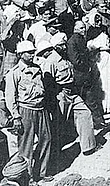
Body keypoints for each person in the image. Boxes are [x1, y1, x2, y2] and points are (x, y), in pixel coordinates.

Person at [5, 41, 51, 182]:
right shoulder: (15, 73)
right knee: (26, 145)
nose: (32, 55)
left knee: (46, 139)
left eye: (33, 52)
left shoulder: (37, 68)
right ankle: (28, 178)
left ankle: (41, 173)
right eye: (29, 52)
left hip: (40, 109)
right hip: (26, 111)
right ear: (20, 55)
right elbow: (10, 97)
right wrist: (16, 117)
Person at [87, 13, 110, 114]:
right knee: (101, 82)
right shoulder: (90, 32)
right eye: (96, 21)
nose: (98, 23)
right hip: (98, 59)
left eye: (100, 20)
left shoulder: (104, 31)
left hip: (107, 58)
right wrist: (99, 48)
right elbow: (89, 46)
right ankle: (103, 107)